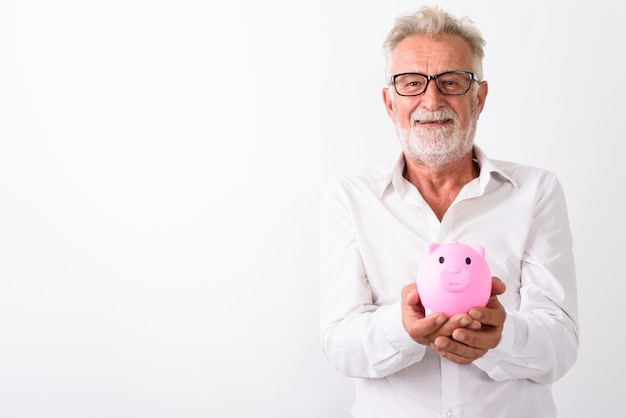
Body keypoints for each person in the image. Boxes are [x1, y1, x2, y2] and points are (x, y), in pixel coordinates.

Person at [319, 5, 579, 418]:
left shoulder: (536, 192)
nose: (432, 99)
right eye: (411, 83)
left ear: (479, 97)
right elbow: (339, 344)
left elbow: (561, 345)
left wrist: (502, 336)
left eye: (452, 81)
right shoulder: (352, 198)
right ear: (390, 103)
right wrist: (403, 330)